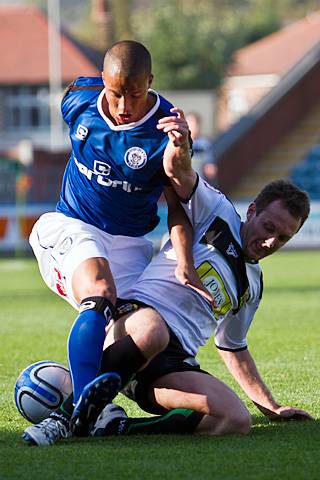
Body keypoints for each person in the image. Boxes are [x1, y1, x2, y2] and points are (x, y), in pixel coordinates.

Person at [23, 40, 210, 445]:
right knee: (99, 291)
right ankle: (79, 416)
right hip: (73, 224)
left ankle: (95, 404)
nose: (124, 104)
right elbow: (79, 89)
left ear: (151, 82)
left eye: (136, 93)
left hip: (129, 243)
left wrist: (184, 262)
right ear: (103, 82)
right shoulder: (79, 100)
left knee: (143, 333)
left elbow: (179, 207)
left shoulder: (165, 131)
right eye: (115, 92)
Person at [88, 176, 313, 438]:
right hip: (136, 325)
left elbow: (233, 345)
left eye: (283, 238)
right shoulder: (218, 211)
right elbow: (177, 171)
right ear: (252, 210)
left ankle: (119, 428)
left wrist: (271, 406)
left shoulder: (253, 285)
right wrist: (180, 141)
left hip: (170, 364)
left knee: (236, 420)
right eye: (268, 227)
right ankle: (74, 400)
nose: (271, 242)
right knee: (153, 331)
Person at [186, 111, 218, 186]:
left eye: (195, 124)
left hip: (199, 185)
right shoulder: (179, 144)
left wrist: (210, 169)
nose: (193, 127)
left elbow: (209, 166)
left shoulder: (204, 144)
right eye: (189, 123)